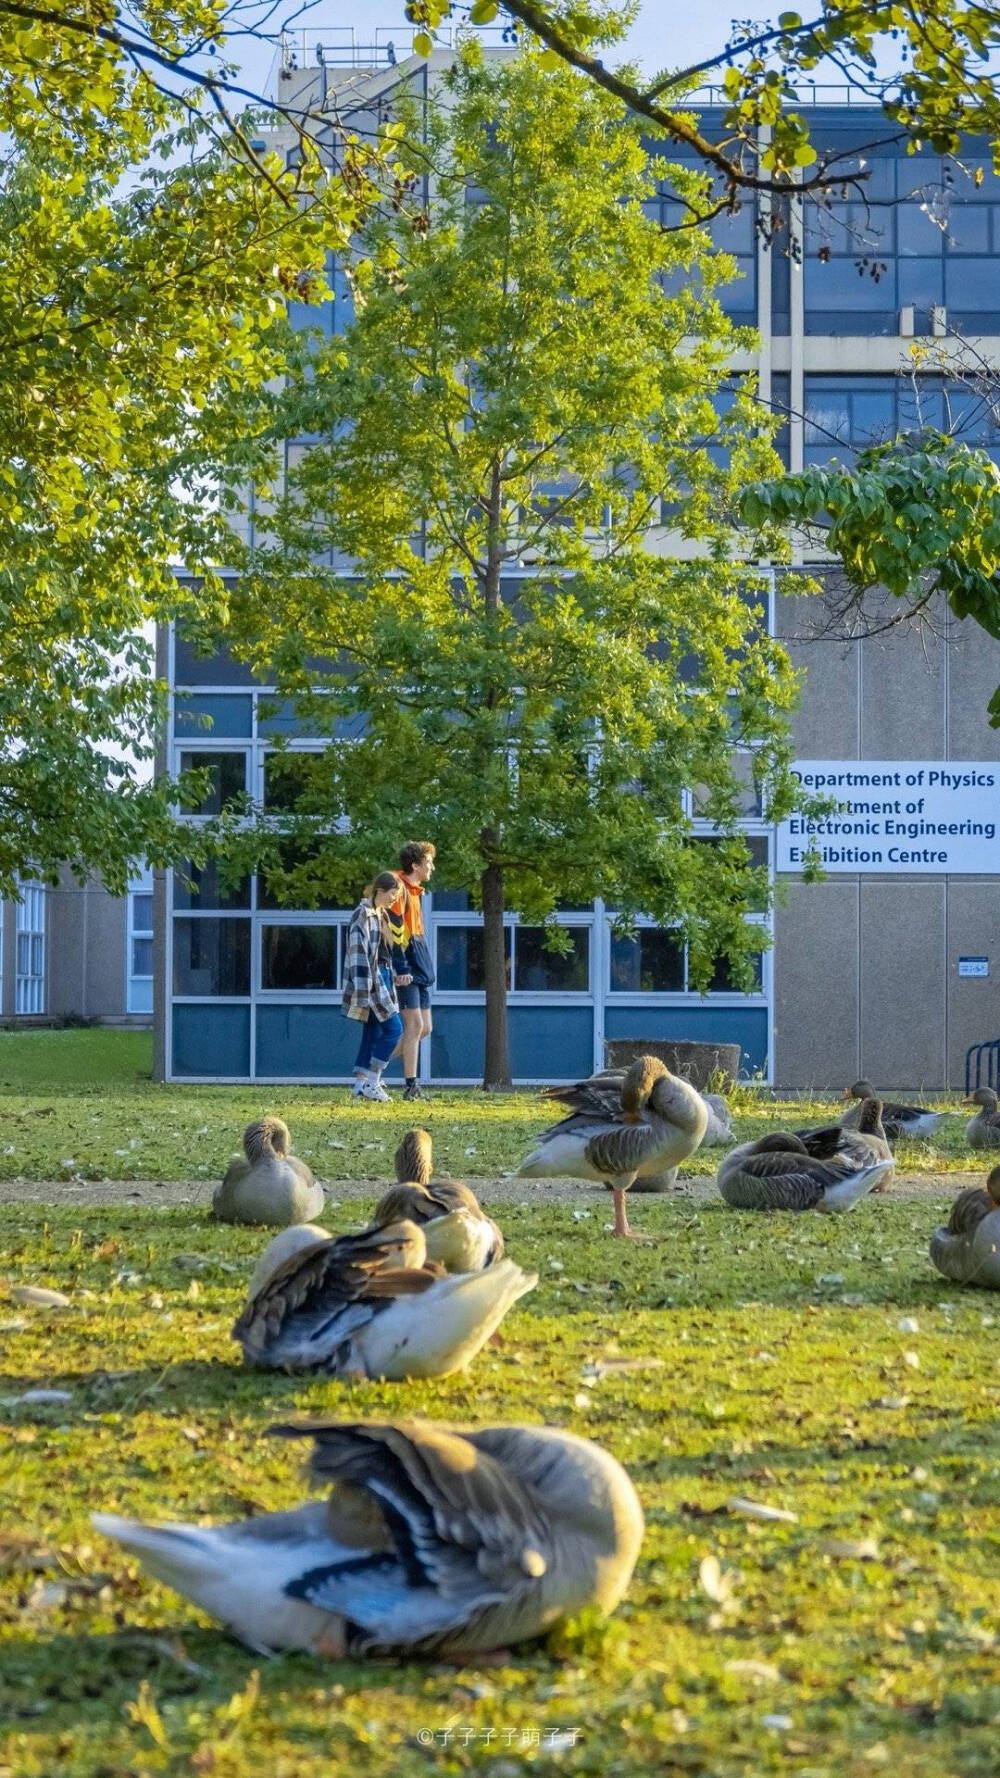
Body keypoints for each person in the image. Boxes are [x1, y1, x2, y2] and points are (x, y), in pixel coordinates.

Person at [342, 873, 405, 1102]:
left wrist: (395, 974)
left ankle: (360, 1084)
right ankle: (373, 1082)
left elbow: (385, 951)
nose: (394, 899)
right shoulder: (363, 915)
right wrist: (364, 989)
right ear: (379, 890)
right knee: (394, 1029)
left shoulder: (380, 914)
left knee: (374, 1031)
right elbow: (358, 953)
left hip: (383, 976)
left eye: (397, 895)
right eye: (392, 894)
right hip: (373, 980)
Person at [388, 840, 436, 1101]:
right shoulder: (400, 891)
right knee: (415, 1025)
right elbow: (396, 933)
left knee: (424, 1028)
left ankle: (374, 1065)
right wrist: (401, 967)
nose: (432, 867)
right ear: (416, 865)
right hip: (407, 967)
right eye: (428, 862)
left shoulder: (415, 892)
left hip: (419, 965)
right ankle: (411, 1086)